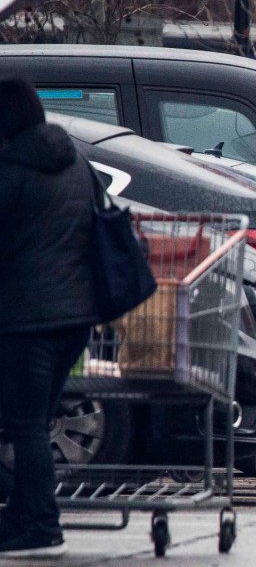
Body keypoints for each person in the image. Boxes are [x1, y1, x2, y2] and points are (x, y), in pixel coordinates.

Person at [0, 78, 100, 557]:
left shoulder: (12, 170)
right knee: (34, 423)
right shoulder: (77, 163)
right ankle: (27, 517)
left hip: (27, 318)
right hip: (76, 317)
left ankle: (40, 524)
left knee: (24, 426)